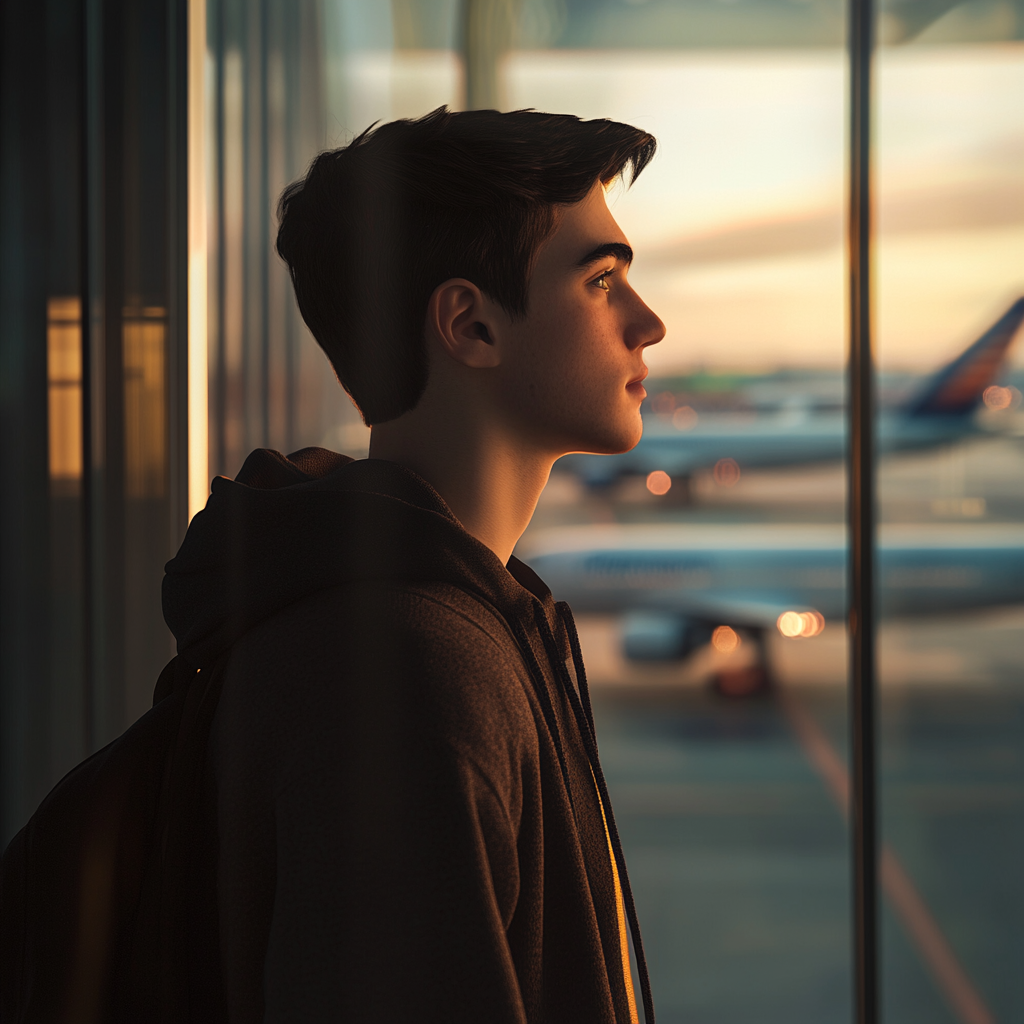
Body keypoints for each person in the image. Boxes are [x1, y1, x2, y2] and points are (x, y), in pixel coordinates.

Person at [164, 106, 665, 1022]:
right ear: (469, 328)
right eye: (602, 280)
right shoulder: (406, 671)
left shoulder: (459, 619)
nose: (649, 324)